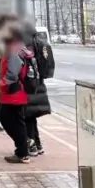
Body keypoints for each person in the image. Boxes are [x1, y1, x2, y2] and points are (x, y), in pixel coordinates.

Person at [0, 23, 34, 163]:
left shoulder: (13, 50)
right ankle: (23, 146)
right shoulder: (18, 48)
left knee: (10, 121)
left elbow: (13, 73)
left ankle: (23, 151)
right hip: (16, 92)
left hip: (13, 92)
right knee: (12, 121)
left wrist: (3, 83)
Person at [22, 22, 54, 155]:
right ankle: (38, 144)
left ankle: (32, 145)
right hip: (39, 84)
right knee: (32, 116)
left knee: (26, 116)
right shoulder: (42, 43)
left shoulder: (27, 45)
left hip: (28, 85)